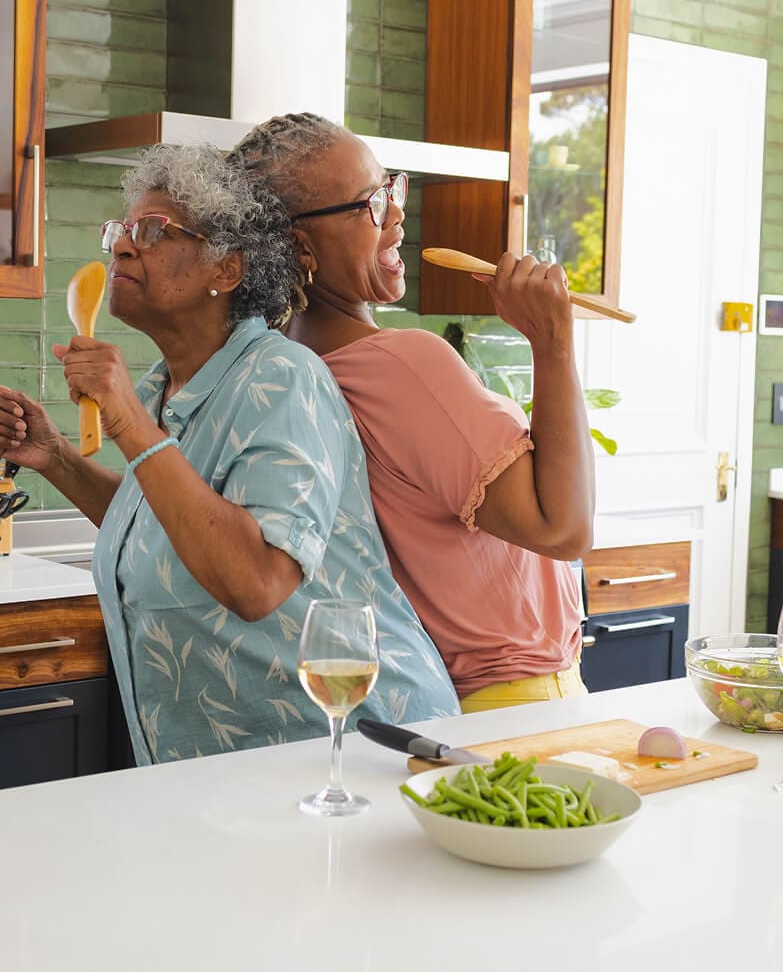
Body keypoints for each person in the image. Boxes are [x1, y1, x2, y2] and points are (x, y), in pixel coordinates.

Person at [0, 143, 459, 763]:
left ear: (226, 271)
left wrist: (124, 421)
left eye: (153, 232)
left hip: (358, 753)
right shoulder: (163, 389)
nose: (123, 247)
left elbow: (256, 581)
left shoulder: (282, 378)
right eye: (121, 231)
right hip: (241, 771)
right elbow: (169, 524)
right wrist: (58, 459)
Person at [232, 114, 596, 713]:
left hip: (436, 699)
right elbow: (564, 529)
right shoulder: (402, 365)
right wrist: (552, 340)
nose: (397, 213)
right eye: (371, 202)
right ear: (300, 246)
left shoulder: (280, 369)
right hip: (516, 702)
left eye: (392, 187)